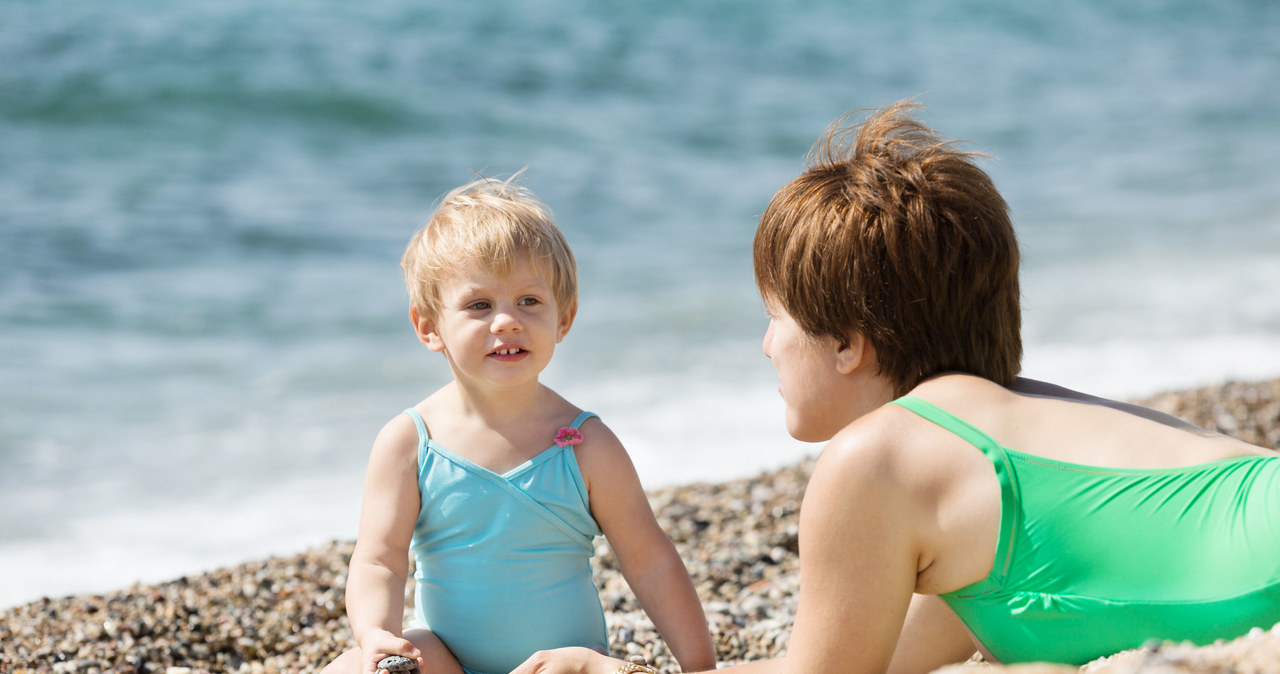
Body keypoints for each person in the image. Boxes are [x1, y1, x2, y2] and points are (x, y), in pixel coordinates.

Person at [510, 101, 1280, 674]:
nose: (766, 344)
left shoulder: (878, 461)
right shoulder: (979, 459)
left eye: (774, 317)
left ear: (848, 344)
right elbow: (841, 662)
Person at [321, 175, 716, 674]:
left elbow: (651, 561)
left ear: (564, 318)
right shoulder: (409, 442)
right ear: (429, 327)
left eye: (529, 301)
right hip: (450, 664)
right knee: (352, 665)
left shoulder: (585, 443)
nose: (506, 321)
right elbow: (379, 560)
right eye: (479, 305)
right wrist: (376, 633)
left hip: (562, 667)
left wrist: (700, 666)